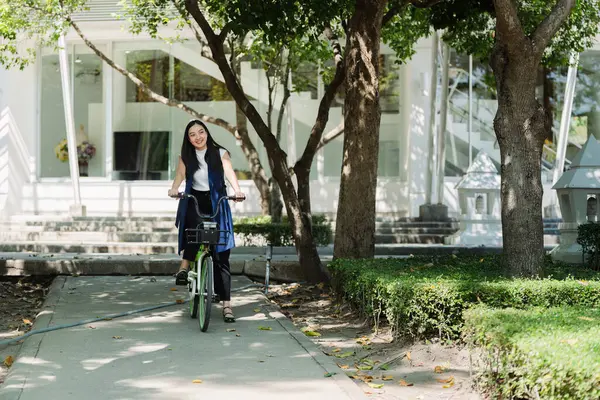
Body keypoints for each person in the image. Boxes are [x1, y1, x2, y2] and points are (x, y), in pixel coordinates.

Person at [168, 120, 245, 323]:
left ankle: (227, 305)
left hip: (216, 199)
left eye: (201, 132)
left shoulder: (220, 153)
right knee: (193, 230)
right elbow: (180, 175)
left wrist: (237, 190)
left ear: (207, 133)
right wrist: (174, 188)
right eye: (192, 134)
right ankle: (184, 268)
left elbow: (229, 172)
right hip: (194, 199)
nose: (198, 137)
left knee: (221, 255)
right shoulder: (186, 156)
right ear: (188, 139)